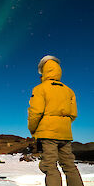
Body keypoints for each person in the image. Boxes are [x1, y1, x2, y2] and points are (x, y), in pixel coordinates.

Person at [28, 55, 84, 186]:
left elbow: (35, 112)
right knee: (69, 165)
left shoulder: (40, 89)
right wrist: (62, 125)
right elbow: (73, 114)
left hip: (47, 135)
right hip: (65, 134)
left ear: (43, 71)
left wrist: (33, 129)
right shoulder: (69, 91)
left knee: (50, 166)